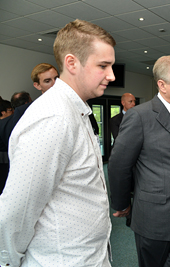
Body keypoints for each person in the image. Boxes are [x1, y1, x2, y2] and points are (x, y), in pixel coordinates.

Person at [0, 19, 116, 266]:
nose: (111, 75)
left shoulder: (75, 109)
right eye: (103, 66)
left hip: (89, 256)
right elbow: (16, 212)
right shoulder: (53, 116)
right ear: (72, 63)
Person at [108, 55, 170, 267]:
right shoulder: (139, 116)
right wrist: (122, 204)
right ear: (162, 85)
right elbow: (119, 165)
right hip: (156, 217)